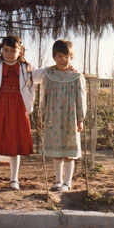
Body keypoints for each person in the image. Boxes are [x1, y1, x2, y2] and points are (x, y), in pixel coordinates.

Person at [0, 35, 43, 190]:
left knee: (14, 144)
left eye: (13, 50)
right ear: (1, 51)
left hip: (18, 109)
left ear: (20, 51)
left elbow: (41, 76)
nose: (9, 53)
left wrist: (59, 68)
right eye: (6, 50)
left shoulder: (27, 68)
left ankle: (14, 179)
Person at [40, 40, 87, 192]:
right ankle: (58, 181)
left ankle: (67, 182)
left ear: (71, 57)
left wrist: (80, 119)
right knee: (57, 152)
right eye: (59, 56)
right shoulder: (49, 75)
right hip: (54, 117)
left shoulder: (76, 77)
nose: (63, 60)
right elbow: (43, 97)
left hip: (70, 117)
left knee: (69, 153)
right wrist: (42, 116)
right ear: (54, 57)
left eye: (66, 57)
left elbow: (81, 99)